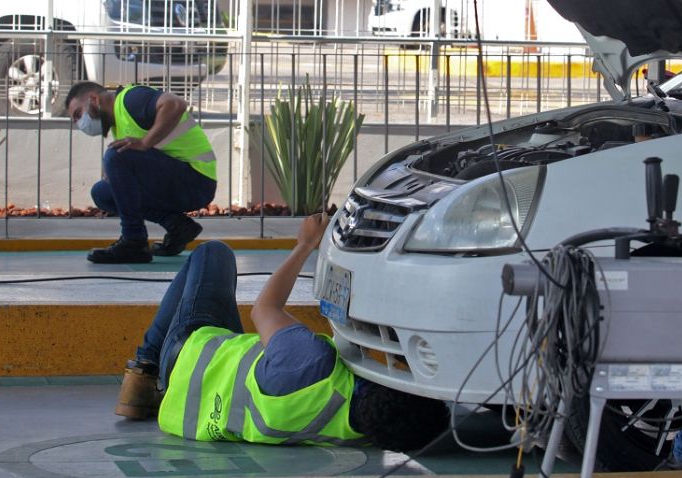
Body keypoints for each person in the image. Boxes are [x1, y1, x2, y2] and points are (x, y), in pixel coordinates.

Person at [115, 214, 450, 452]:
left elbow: (264, 309)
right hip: (190, 409)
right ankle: (146, 380)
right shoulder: (356, 433)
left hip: (188, 356)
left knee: (212, 253)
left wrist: (304, 245)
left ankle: (144, 368)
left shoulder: (311, 364)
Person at [65, 81, 217, 264]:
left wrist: (145, 142)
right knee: (103, 192)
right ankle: (178, 226)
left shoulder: (130, 99)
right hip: (181, 183)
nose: (80, 123)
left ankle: (133, 241)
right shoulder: (118, 125)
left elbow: (176, 104)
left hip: (196, 179)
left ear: (93, 99)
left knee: (115, 155)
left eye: (78, 114)